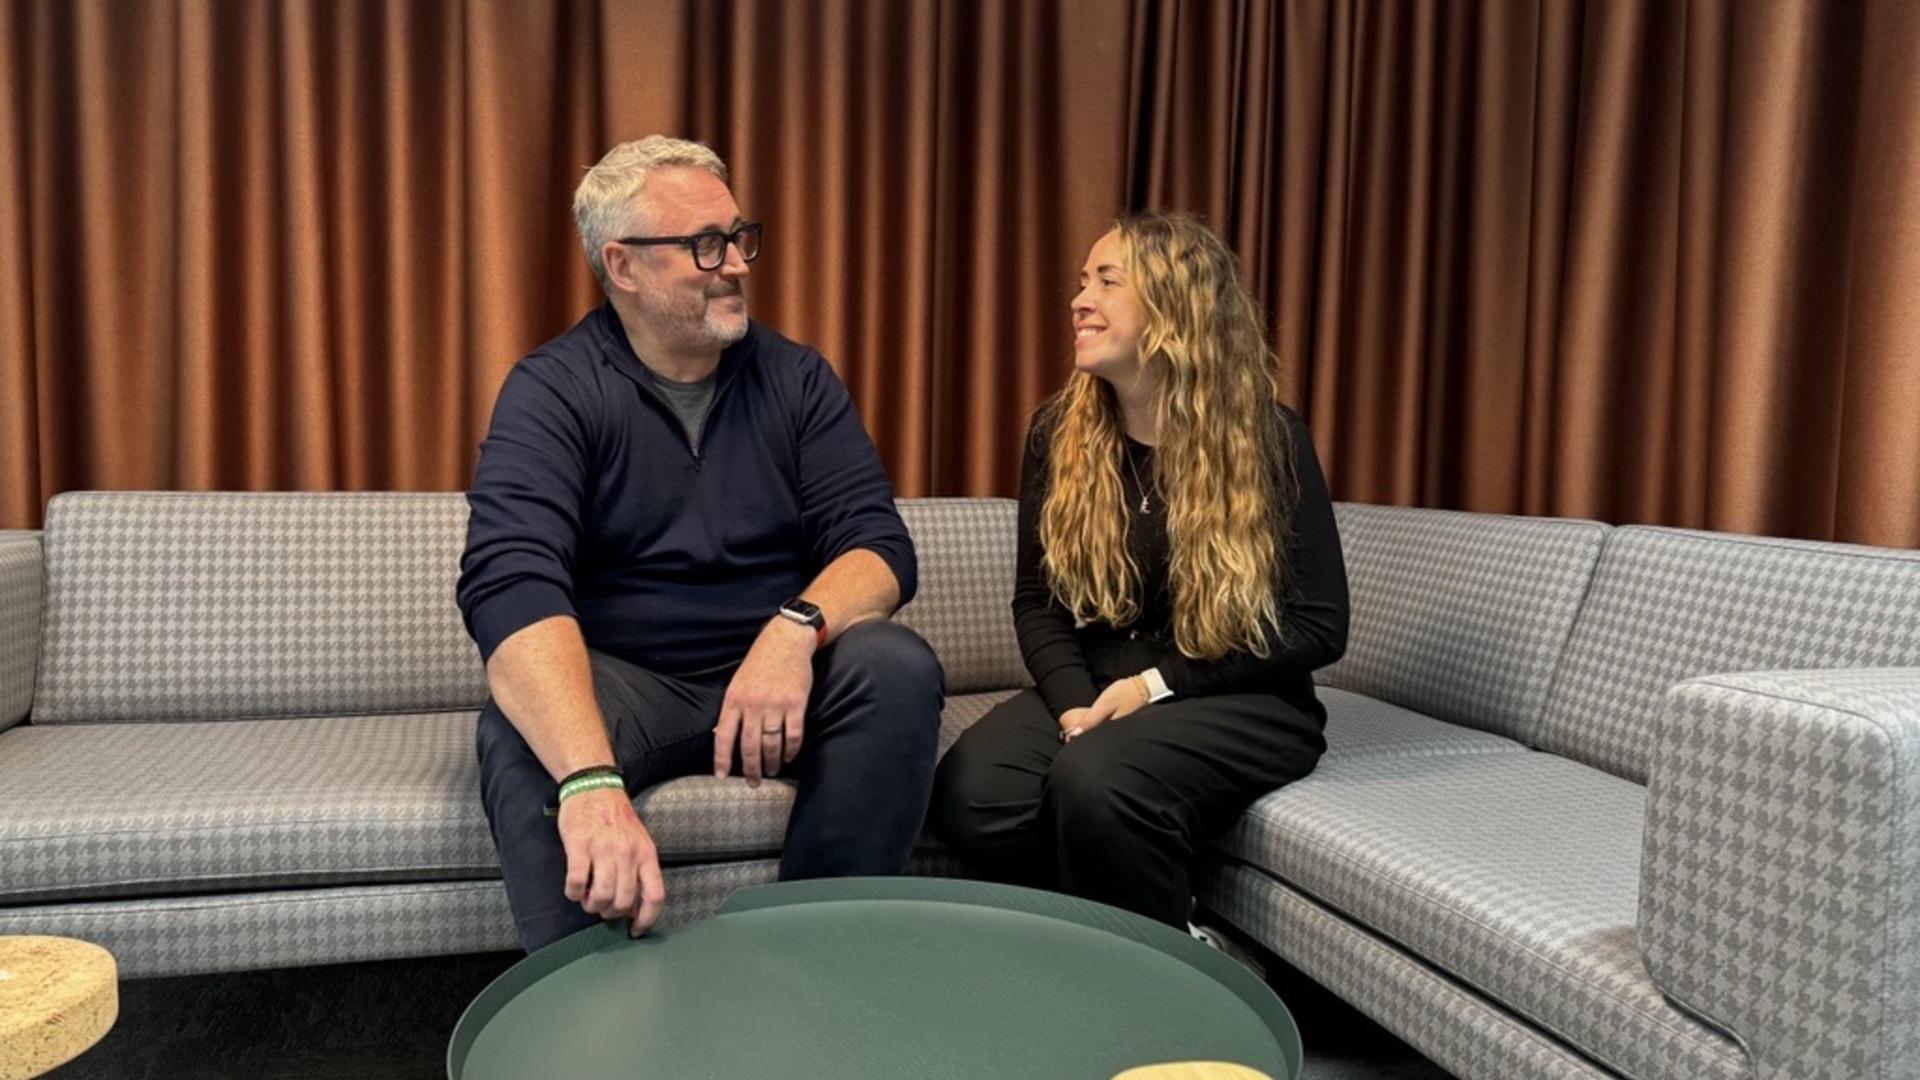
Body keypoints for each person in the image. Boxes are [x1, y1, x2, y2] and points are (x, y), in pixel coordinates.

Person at [458, 136, 944, 952]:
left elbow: (878, 545)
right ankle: (590, 1015)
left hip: (777, 676)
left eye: (738, 236)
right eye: (705, 246)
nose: (738, 265)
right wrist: (590, 778)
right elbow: (511, 586)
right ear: (624, 266)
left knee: (895, 666)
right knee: (522, 730)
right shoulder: (551, 391)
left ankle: (815, 965)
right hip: (631, 683)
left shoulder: (796, 379)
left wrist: (795, 629)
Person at [929, 212, 1348, 928]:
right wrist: (1072, 707)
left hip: (1242, 696)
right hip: (1099, 685)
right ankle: (1165, 918)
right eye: (1082, 281)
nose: (1079, 299)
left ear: (1173, 306)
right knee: (974, 794)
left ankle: (1166, 980)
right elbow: (1038, 602)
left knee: (1097, 782)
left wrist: (1155, 685)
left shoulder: (1269, 437)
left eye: (1106, 281)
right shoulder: (1056, 434)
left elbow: (1319, 626)